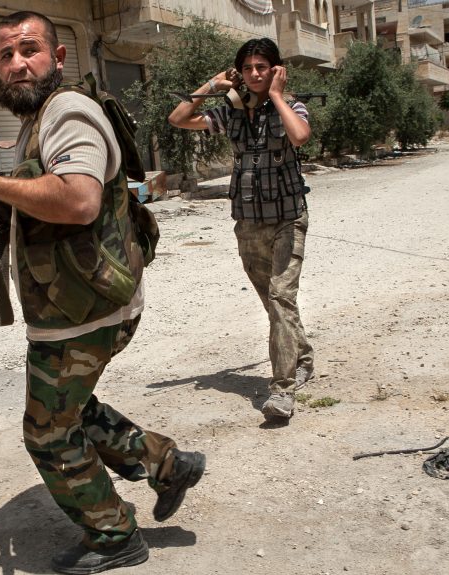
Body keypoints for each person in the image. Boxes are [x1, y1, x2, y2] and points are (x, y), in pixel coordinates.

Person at [0, 11, 205, 574]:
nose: (17, 63)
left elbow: (79, 200)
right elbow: (41, 201)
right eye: (6, 54)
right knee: (70, 406)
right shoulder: (39, 118)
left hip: (83, 309)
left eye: (30, 49)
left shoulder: (68, 112)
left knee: (47, 431)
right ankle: (168, 465)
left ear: (58, 57)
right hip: (77, 301)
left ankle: (114, 537)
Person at [168, 38, 315, 423]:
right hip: (248, 221)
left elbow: (300, 136)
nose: (254, 74)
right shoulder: (231, 111)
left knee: (281, 296)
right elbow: (178, 119)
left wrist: (277, 96)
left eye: (262, 67)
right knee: (274, 300)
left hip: (288, 217)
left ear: (276, 70)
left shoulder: (292, 106)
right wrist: (211, 85)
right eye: (247, 68)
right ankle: (302, 357)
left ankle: (282, 390)